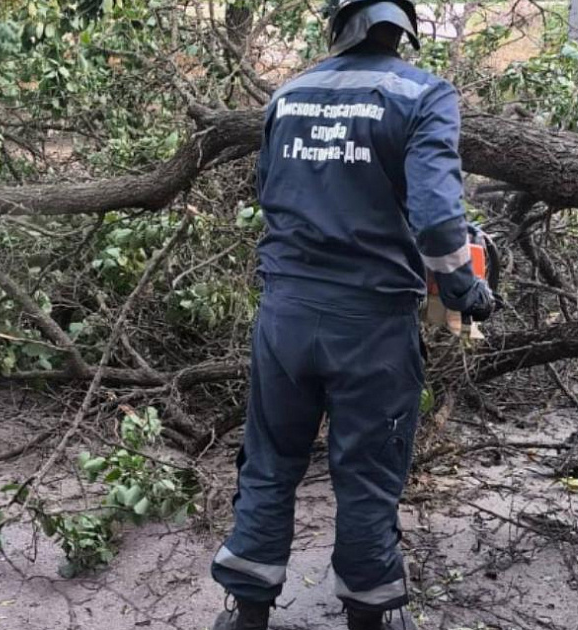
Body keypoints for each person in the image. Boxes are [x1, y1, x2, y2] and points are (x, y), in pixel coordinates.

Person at [210, 1, 495, 629]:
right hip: (370, 326)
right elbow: (441, 222)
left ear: (339, 27)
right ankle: (369, 613)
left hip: (284, 315)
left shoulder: (289, 93)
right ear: (403, 32)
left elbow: (272, 192)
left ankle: (245, 611)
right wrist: (464, 291)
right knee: (368, 471)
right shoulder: (424, 95)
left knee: (270, 459)